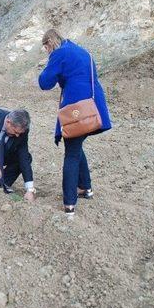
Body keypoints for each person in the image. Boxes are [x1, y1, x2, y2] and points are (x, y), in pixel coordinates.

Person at [37, 29, 111, 216]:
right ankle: (85, 188)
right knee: (76, 145)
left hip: (76, 110)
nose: (46, 51)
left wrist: (49, 62)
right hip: (93, 107)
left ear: (49, 43)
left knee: (71, 153)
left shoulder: (59, 53)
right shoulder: (82, 51)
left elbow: (45, 83)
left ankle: (69, 202)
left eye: (45, 48)